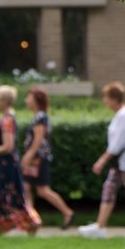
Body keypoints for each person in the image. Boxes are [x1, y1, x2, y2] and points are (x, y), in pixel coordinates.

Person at [79, 81, 125, 239]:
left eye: (106, 97)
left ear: (114, 99)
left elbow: (118, 143)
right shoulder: (122, 114)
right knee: (109, 189)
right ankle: (100, 226)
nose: (105, 101)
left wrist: (102, 160)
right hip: (121, 161)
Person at [0, 85, 41, 235]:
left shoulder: (7, 120)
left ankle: (23, 224)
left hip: (6, 165)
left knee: (1, 196)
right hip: (7, 163)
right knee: (13, 196)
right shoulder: (8, 118)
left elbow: (8, 146)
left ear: (4, 101)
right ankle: (22, 225)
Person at [21, 87, 76, 229]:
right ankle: (31, 218)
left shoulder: (41, 117)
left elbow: (38, 139)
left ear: (36, 100)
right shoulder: (39, 116)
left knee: (40, 190)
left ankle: (65, 213)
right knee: (29, 188)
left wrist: (28, 155)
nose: (26, 100)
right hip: (37, 159)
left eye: (29, 97)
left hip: (37, 160)